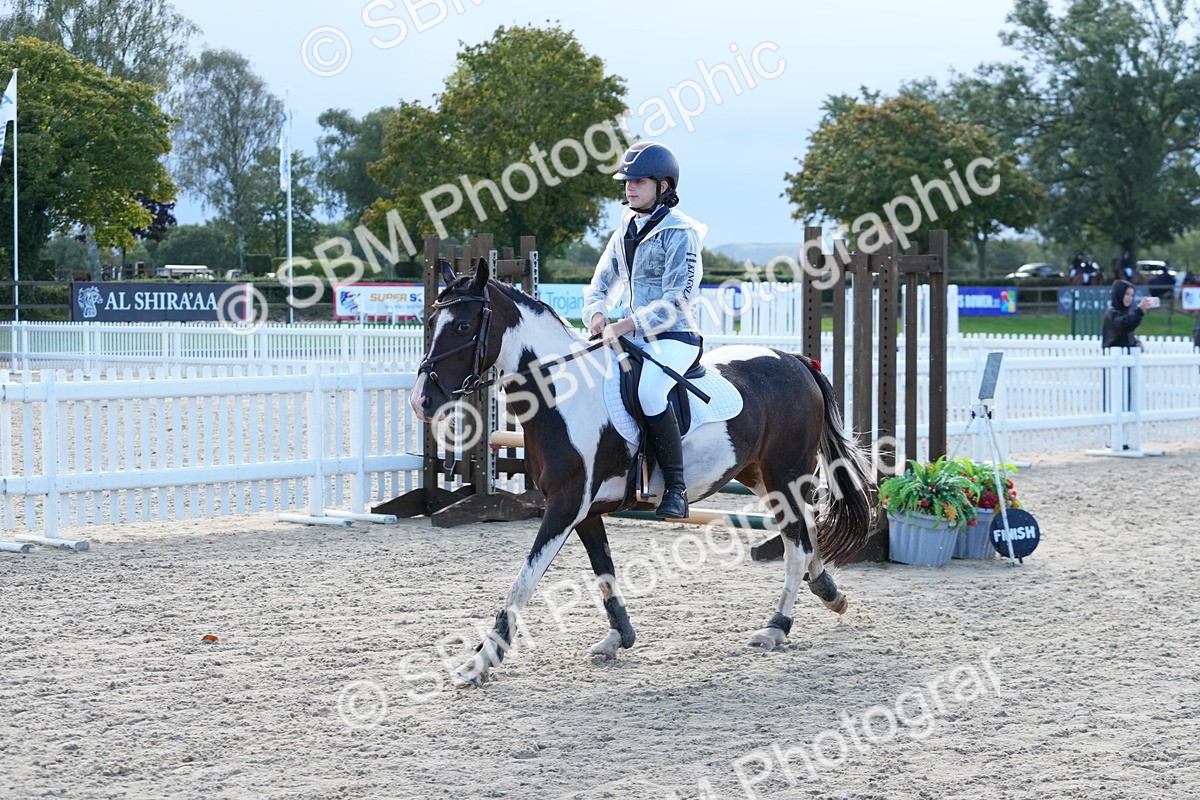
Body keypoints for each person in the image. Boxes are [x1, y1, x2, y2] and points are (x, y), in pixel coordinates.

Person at [582, 142, 705, 520]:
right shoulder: (625, 227)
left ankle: (677, 488)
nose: (629, 187)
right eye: (627, 181)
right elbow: (600, 284)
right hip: (630, 336)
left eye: (639, 181)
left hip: (674, 336)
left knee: (650, 392)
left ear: (663, 187)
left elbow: (677, 300)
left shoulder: (681, 232)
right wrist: (597, 315)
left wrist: (628, 323)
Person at [1102, 279, 1156, 352]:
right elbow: (1125, 325)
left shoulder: (1125, 312)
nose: (1129, 298)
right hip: (1114, 354)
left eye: (1132, 295)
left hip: (1125, 354)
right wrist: (1139, 310)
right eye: (1127, 294)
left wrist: (1136, 343)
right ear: (1119, 293)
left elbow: (1126, 333)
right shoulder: (1112, 312)